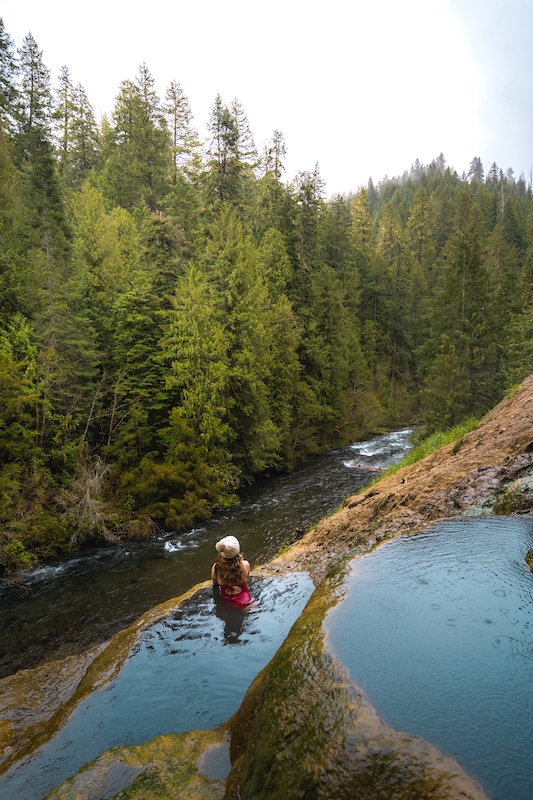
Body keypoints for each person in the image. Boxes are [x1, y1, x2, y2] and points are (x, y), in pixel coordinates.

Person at [211, 535, 253, 608]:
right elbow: (246, 579)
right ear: (237, 550)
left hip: (226, 601)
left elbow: (215, 585)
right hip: (245, 601)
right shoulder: (245, 565)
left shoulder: (216, 568)